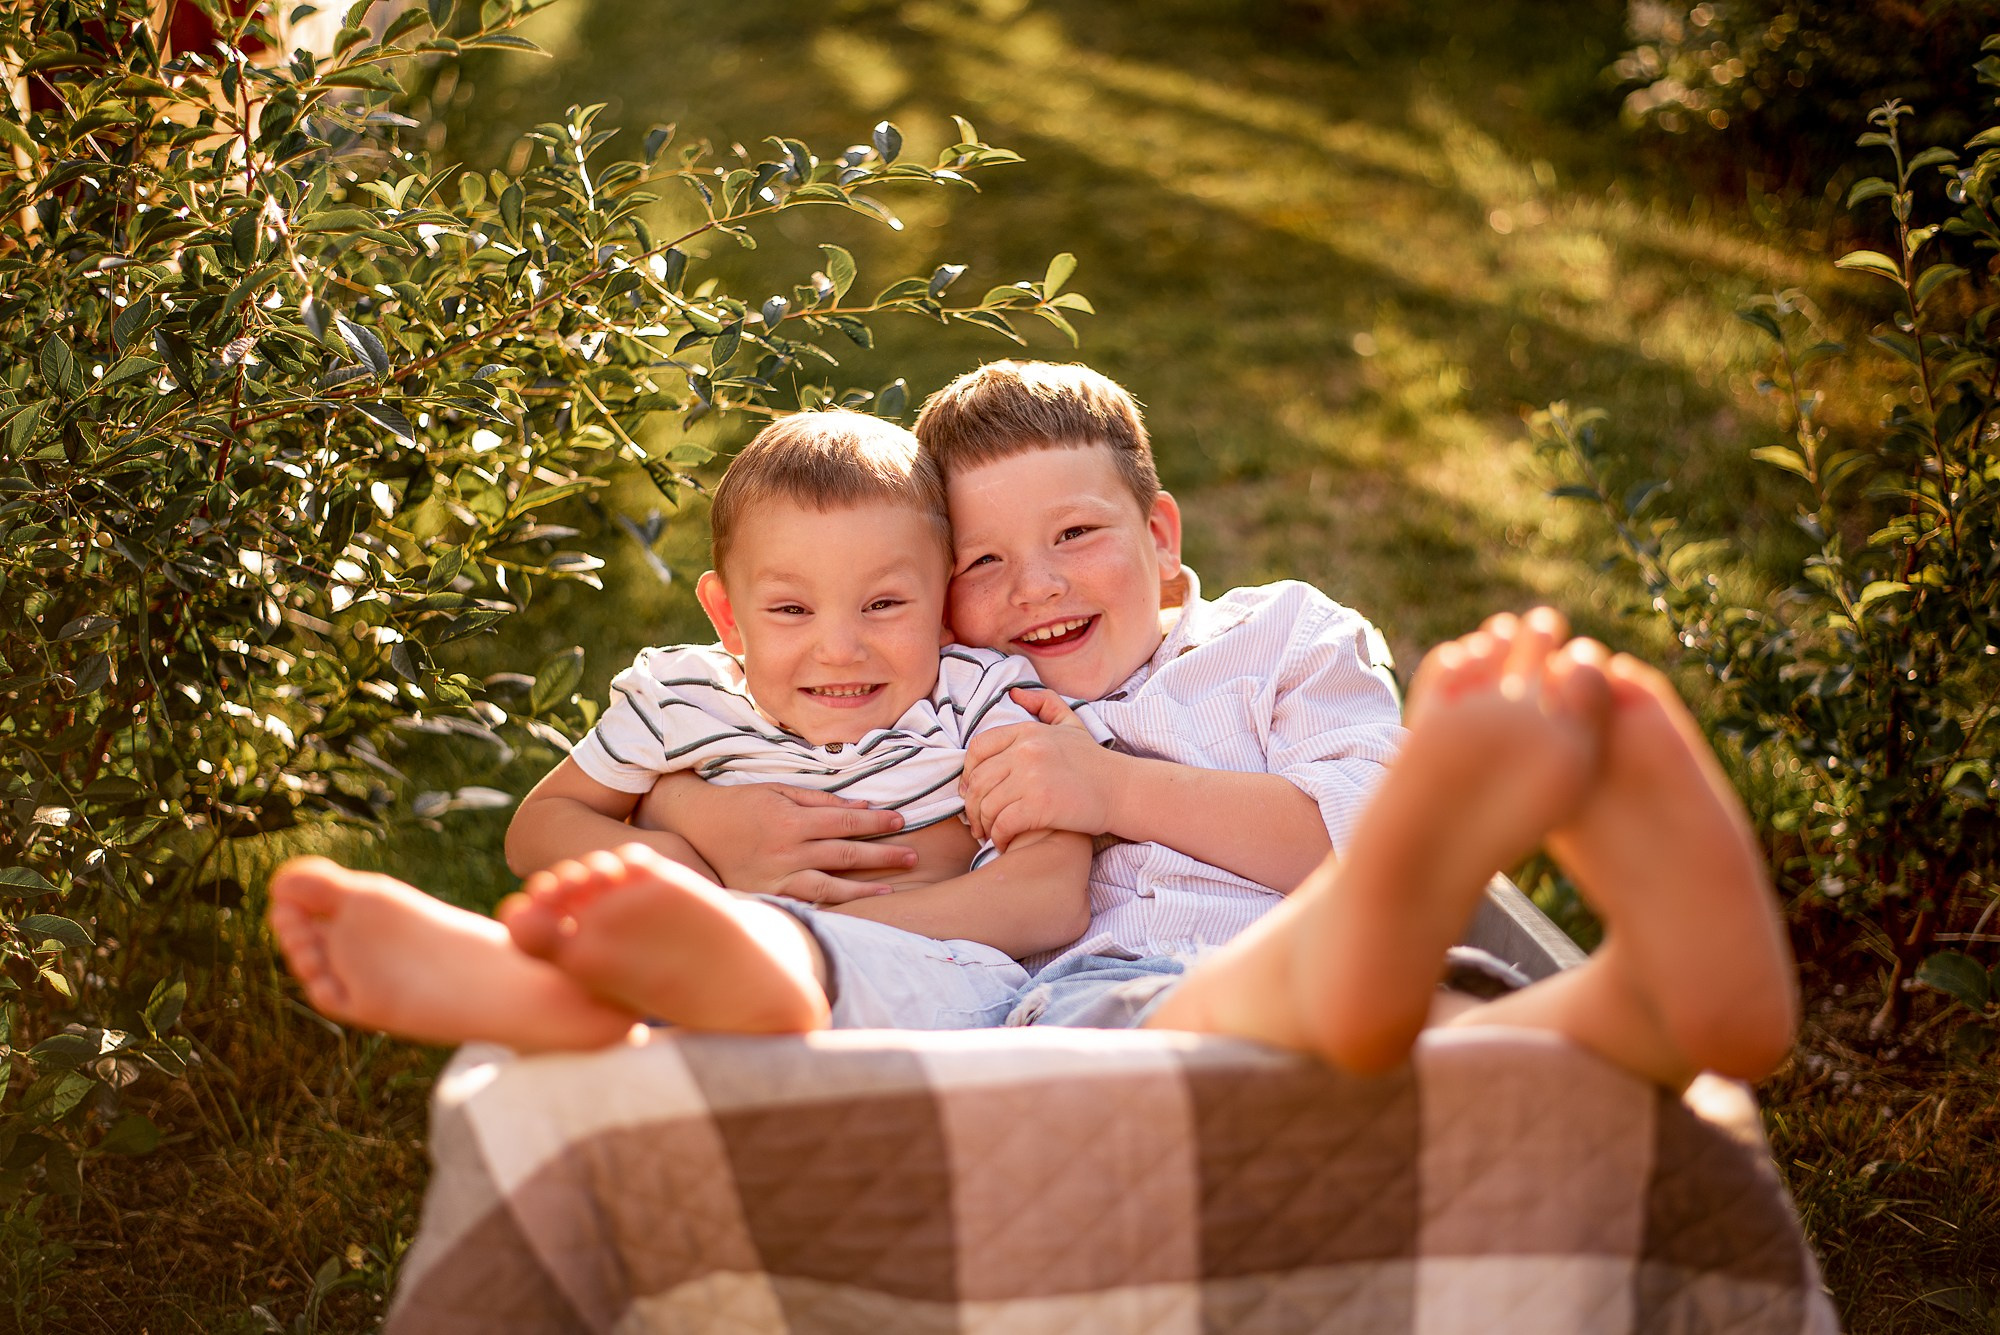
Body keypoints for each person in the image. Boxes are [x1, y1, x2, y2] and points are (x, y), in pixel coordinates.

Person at [266, 410, 1091, 1049]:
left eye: (884, 603)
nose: (840, 644)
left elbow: (1051, 896)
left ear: (943, 601)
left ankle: (573, 994)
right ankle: (536, 997)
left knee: (722, 968)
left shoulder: (982, 698)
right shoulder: (683, 695)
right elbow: (538, 830)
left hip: (929, 976)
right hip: (703, 958)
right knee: (659, 973)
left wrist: (784, 922)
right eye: (791, 609)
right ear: (727, 617)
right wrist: (686, 869)